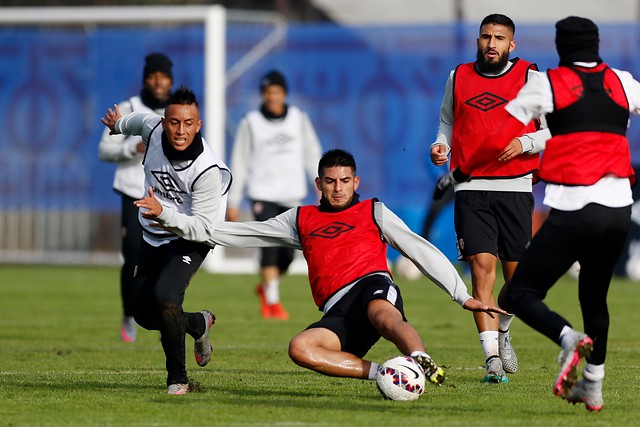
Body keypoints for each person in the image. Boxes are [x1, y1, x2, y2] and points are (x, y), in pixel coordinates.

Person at [444, 16, 639, 411]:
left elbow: (499, 132)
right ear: (596, 45)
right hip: (619, 207)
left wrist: (460, 172)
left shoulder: (545, 83)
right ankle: (593, 385)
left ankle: (567, 338)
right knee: (595, 299)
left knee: (519, 292)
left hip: (573, 207)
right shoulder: (624, 81)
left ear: (562, 45)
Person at [208, 148, 506, 386]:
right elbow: (245, 232)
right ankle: (387, 374)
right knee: (300, 348)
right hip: (338, 309)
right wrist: (177, 222)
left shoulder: (373, 211)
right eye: (330, 181)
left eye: (345, 181)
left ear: (356, 182)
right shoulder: (300, 219)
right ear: (319, 184)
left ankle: (418, 359)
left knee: (381, 312)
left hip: (371, 285)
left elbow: (419, 249)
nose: (338, 189)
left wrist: (460, 294)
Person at [430, 13, 551, 383]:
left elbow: (554, 131)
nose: (492, 43)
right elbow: (447, 120)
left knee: (519, 284)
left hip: (515, 187)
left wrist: (525, 143)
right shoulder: (459, 76)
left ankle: (503, 330)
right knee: (482, 272)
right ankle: (492, 361)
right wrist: (441, 144)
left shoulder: (532, 77)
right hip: (470, 188)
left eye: (500, 38)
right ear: (478, 41)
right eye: (486, 37)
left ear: (512, 45)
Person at [100, 86, 232, 395]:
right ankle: (197, 324)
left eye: (188, 123)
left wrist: (163, 212)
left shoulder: (207, 170)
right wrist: (119, 126)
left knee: (165, 297)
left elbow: (201, 228)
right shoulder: (153, 129)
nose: (180, 130)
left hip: (191, 237)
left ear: (198, 125)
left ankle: (178, 380)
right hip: (154, 234)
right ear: (165, 121)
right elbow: (137, 121)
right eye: (174, 122)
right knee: (143, 313)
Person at [226, 69, 322, 320]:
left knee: (288, 254)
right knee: (269, 245)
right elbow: (240, 160)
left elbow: (312, 152)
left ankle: (268, 287)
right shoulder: (251, 122)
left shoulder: (298, 119)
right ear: (263, 95)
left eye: (276, 92)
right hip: (262, 193)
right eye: (268, 92)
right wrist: (234, 200)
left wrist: (321, 183)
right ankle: (273, 302)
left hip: (291, 194)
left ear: (284, 93)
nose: (272, 97)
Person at [98, 52, 174, 342]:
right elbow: (104, 150)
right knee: (132, 256)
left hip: (165, 194)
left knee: (166, 258)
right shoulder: (129, 107)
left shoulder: (174, 113)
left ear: (170, 80)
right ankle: (129, 315)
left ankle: (161, 311)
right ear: (146, 79)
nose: (159, 81)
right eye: (154, 76)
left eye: (163, 76)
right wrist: (131, 149)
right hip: (133, 192)